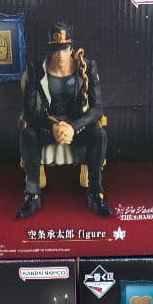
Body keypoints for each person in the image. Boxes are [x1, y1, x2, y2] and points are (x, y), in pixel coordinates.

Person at [16, 22, 112, 219]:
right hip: (48, 126)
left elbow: (97, 108)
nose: (60, 54)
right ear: (50, 49)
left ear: (71, 48)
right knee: (27, 133)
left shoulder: (87, 67)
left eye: (65, 48)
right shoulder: (36, 68)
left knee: (98, 134)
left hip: (76, 128)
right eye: (56, 49)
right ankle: (32, 196)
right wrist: (52, 127)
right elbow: (28, 110)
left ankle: (95, 194)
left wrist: (74, 127)